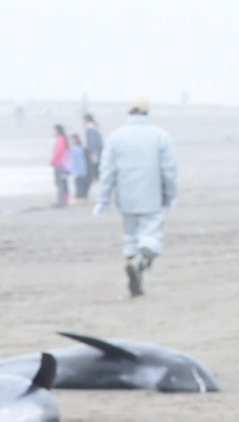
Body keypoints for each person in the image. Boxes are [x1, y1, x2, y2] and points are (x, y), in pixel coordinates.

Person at [96, 95, 177, 298]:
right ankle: (140, 263)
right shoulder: (160, 136)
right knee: (151, 237)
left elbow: (107, 171)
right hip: (151, 196)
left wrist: (103, 199)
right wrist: (170, 194)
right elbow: (169, 169)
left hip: (126, 198)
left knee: (130, 239)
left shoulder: (116, 137)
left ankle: (136, 281)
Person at [78, 111, 104, 200]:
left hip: (93, 156)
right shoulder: (95, 128)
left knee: (95, 176)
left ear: (87, 120)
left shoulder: (90, 129)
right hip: (97, 154)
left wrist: (93, 155)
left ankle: (100, 194)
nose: (83, 122)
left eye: (83, 120)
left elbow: (93, 144)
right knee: (97, 176)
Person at [49, 123, 71, 206]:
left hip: (59, 164)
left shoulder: (60, 139)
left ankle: (60, 201)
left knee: (59, 183)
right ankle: (62, 200)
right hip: (62, 164)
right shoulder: (63, 139)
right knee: (62, 183)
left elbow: (58, 152)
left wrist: (52, 161)